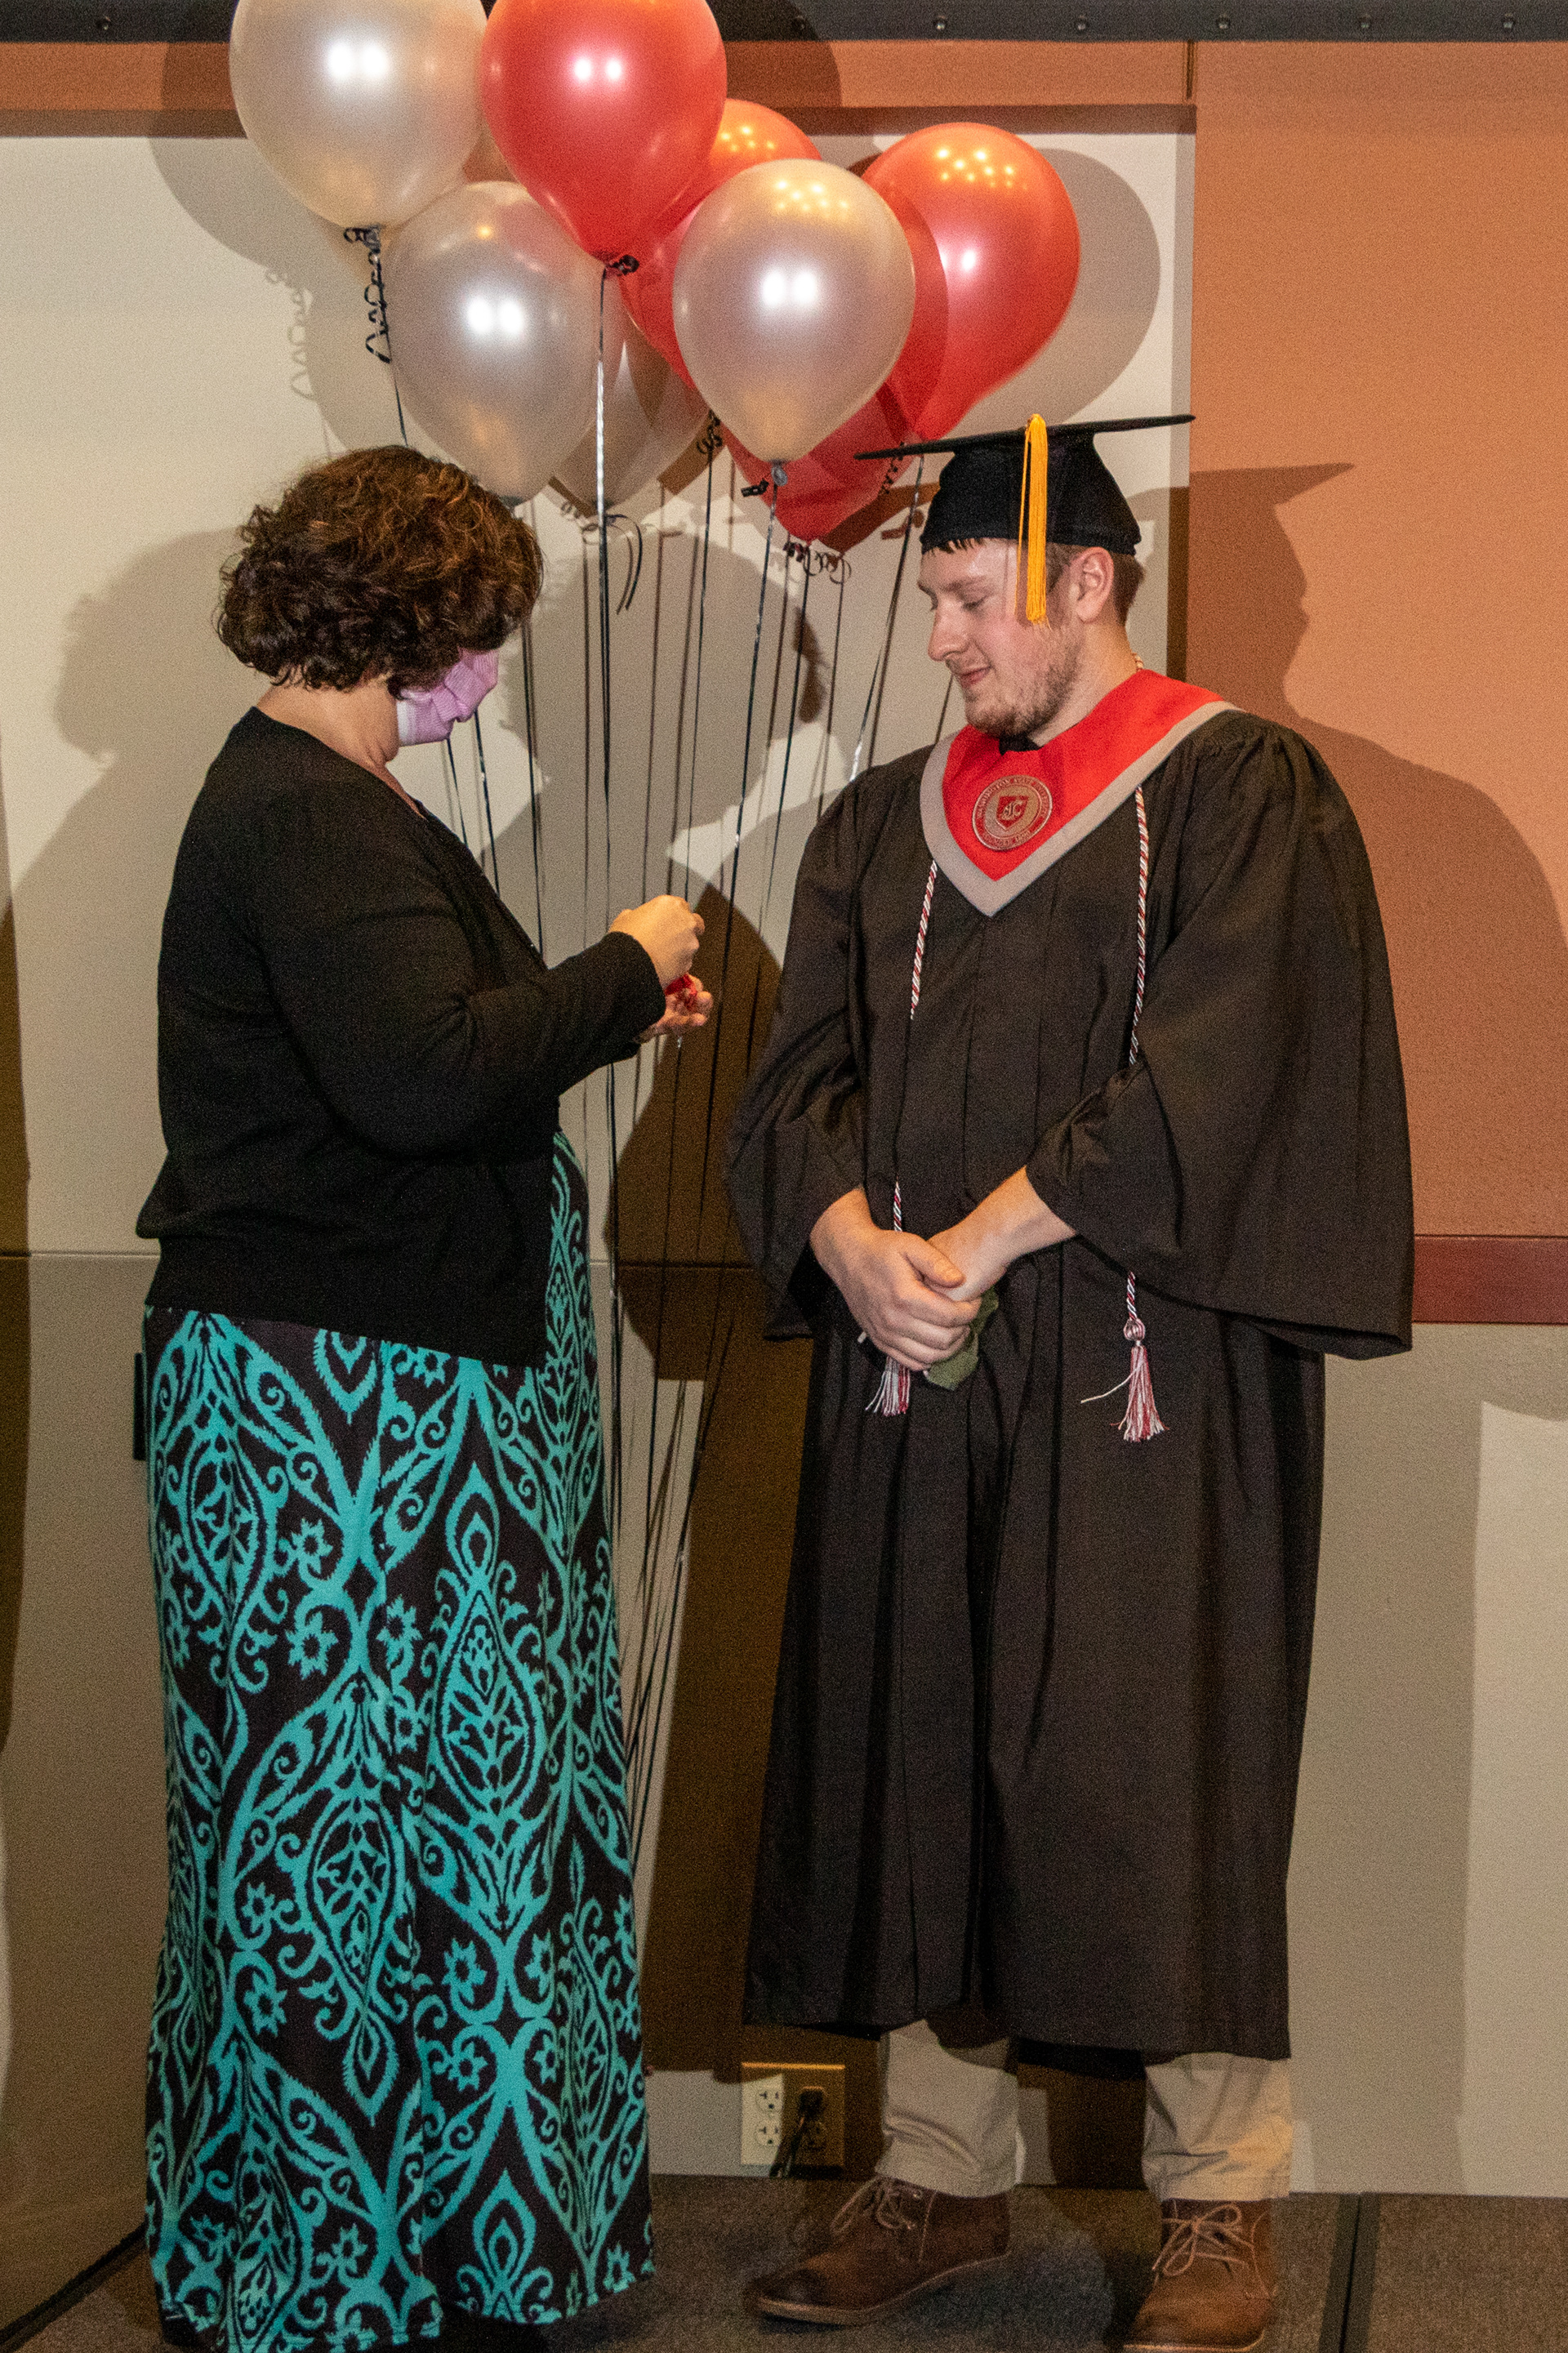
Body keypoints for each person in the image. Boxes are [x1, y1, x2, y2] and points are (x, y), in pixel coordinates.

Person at [726, 417, 1412, 2353]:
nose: (941, 637)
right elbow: (798, 1082)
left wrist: (984, 1235)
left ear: (1085, 582)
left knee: (1156, 1748)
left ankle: (1218, 2198)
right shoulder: (886, 823)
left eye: (967, 598)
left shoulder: (1239, 790)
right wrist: (853, 1244)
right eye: (937, 600)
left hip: (1143, 1365)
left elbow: (1222, 1074)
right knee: (924, 1730)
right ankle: (939, 2173)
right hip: (920, 1357)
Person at [137, 444, 710, 2353]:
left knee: (426, 1831)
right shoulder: (308, 810)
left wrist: (595, 999)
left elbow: (426, 1047)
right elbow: (418, 1079)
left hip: (386, 1402)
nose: (485, 675)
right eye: (477, 636)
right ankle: (334, 2271)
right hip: (337, 1431)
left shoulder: (324, 802)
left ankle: (426, 2259)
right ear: (415, 622)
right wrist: (626, 964)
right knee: (349, 1841)